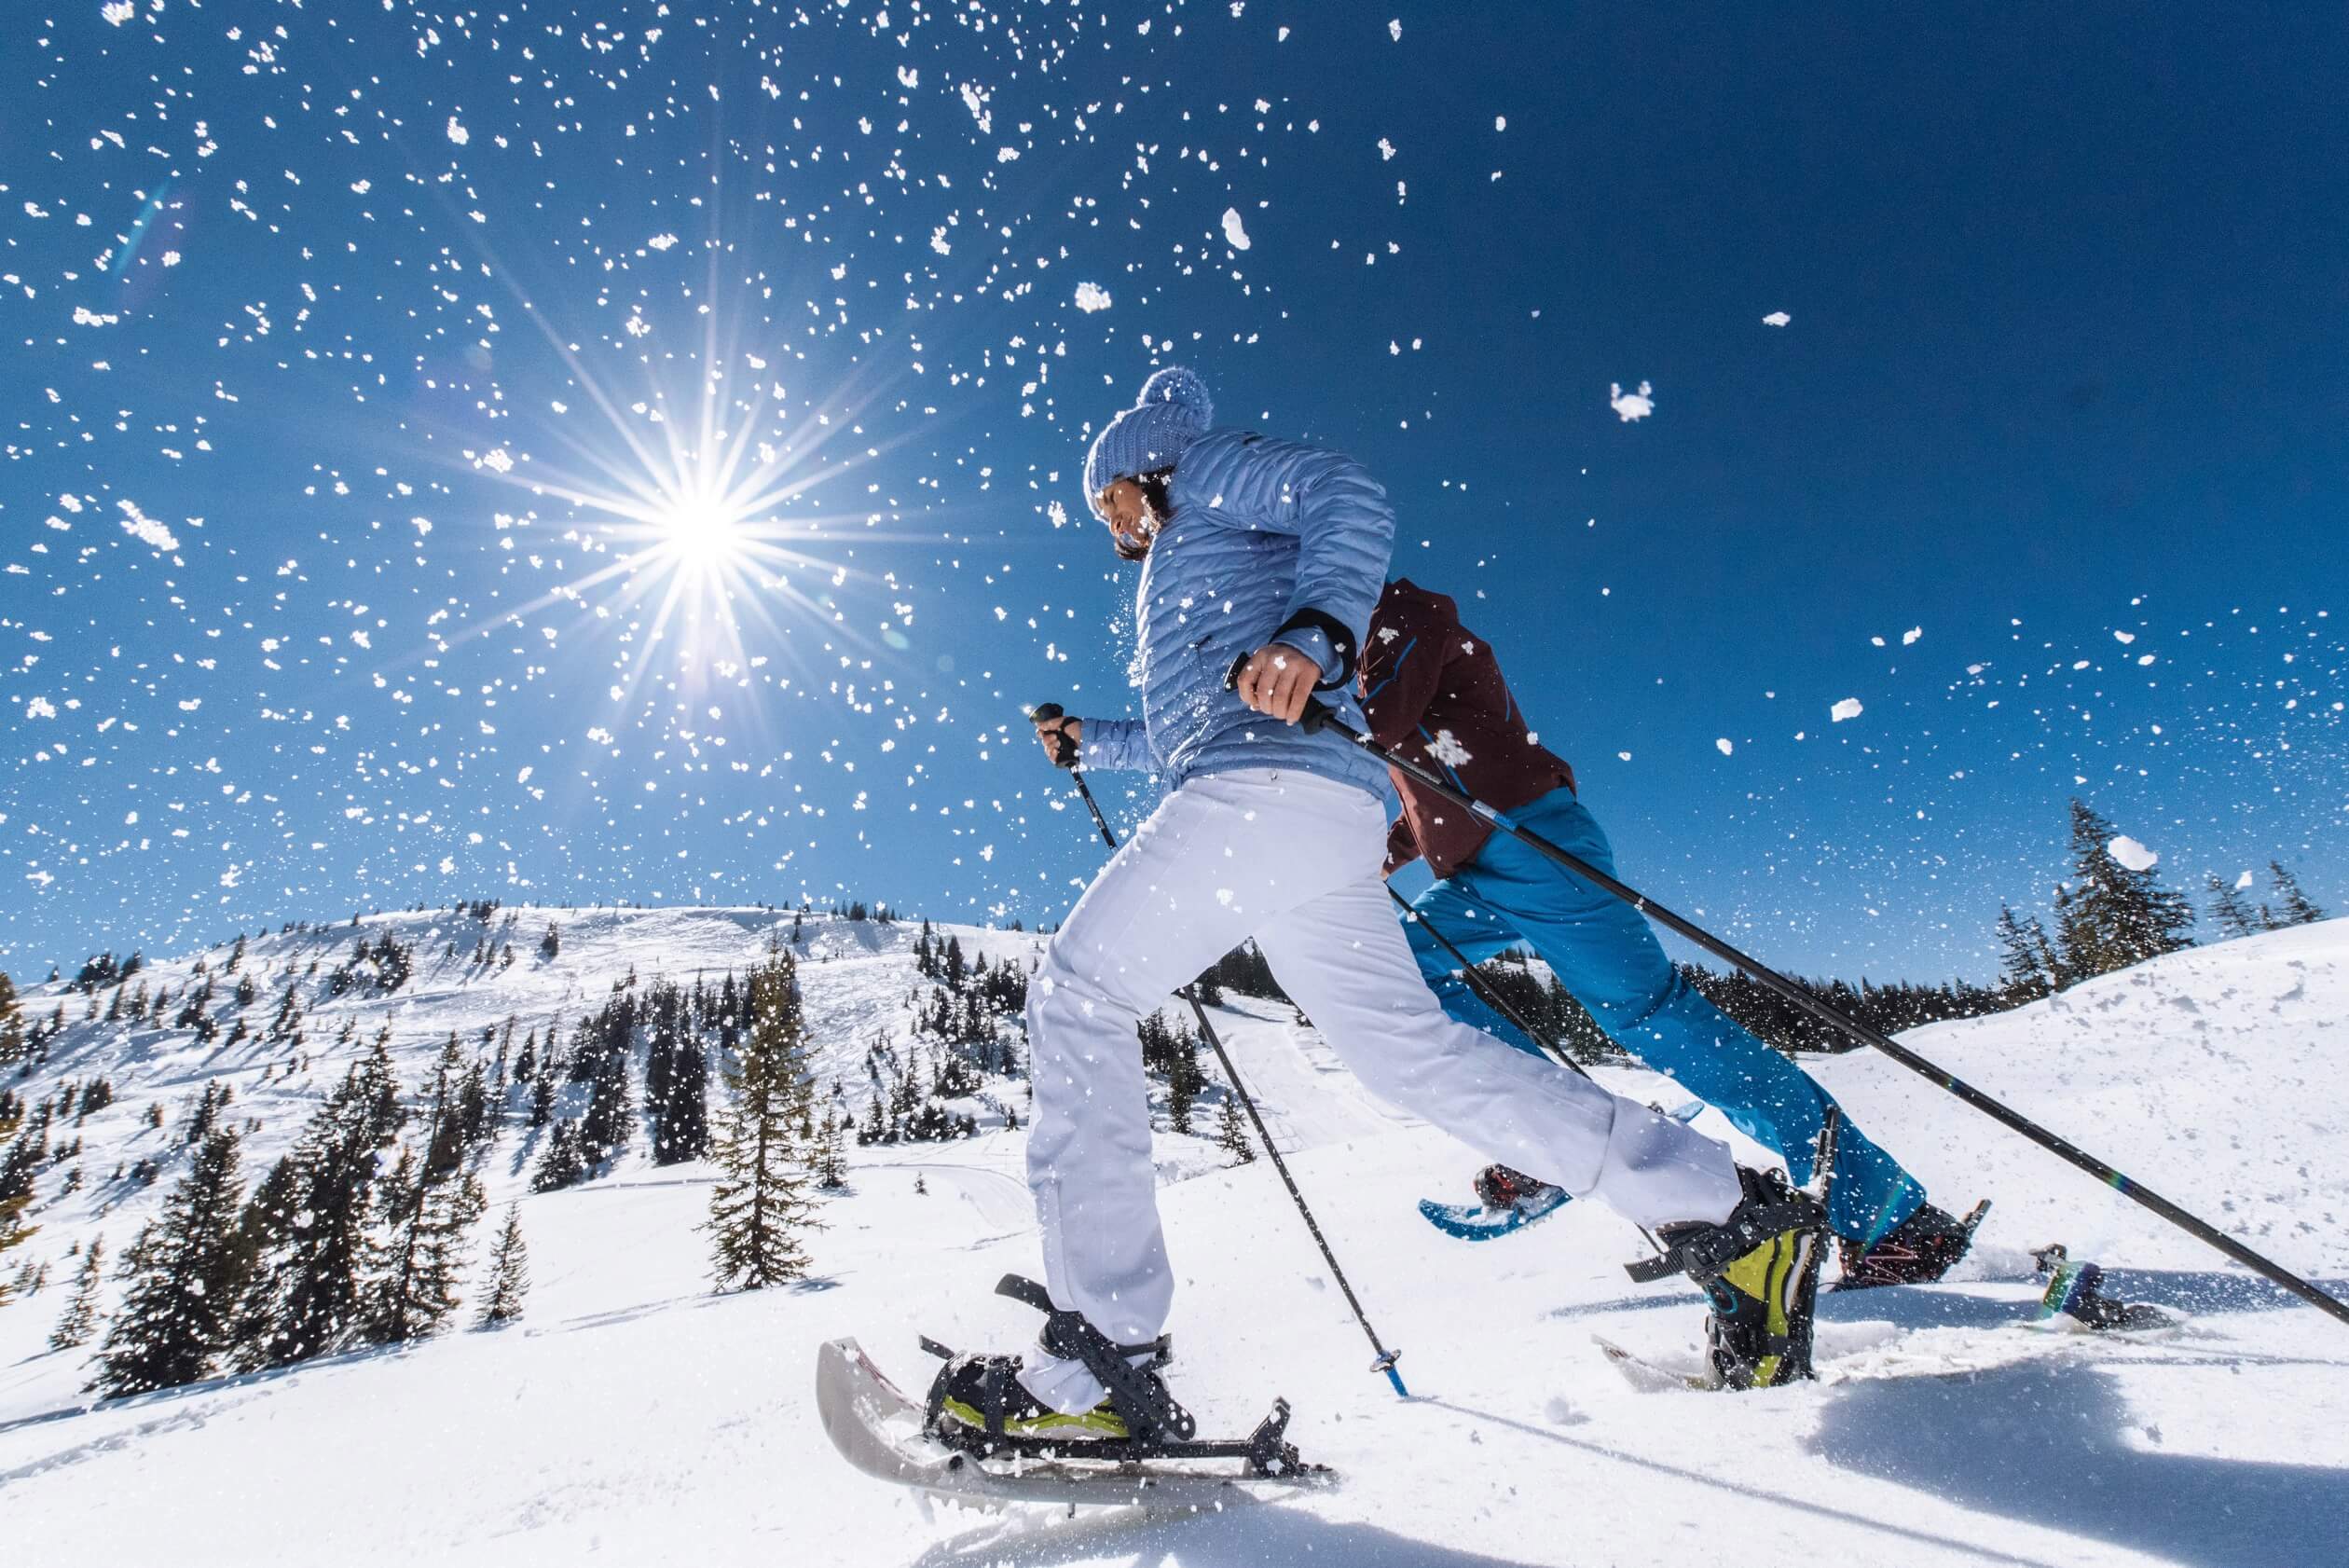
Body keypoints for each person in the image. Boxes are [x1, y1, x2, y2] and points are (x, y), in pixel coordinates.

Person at [927, 368, 1833, 1453]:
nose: (1108, 525)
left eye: (1107, 501)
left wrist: (1318, 634)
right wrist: (1094, 737)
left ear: (1139, 469)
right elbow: (1199, 722)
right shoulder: (1192, 558)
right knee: (1414, 1056)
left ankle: (1098, 1361)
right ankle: (1724, 1213)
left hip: (1264, 793)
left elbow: (1346, 494)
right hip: (1303, 808)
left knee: (1076, 994)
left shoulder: (1208, 478)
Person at [1359, 575, 1979, 1287]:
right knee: (1398, 976)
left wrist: (1298, 695)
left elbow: (1379, 719)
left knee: (1658, 1021)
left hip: (1531, 843)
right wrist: (1373, 855)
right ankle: (1544, 1134)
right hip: (1481, 864)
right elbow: (1422, 785)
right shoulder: (1369, 645)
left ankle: (1888, 1219)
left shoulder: (1402, 609)